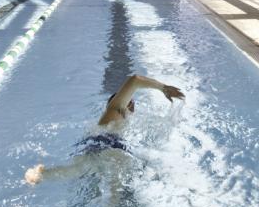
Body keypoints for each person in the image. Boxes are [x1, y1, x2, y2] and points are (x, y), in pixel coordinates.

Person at [24, 74, 185, 185]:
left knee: (76, 170)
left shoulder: (120, 119)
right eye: (128, 102)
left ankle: (41, 173)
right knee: (112, 187)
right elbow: (135, 79)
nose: (131, 105)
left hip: (96, 146)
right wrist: (163, 87)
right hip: (109, 146)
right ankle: (40, 173)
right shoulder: (114, 109)